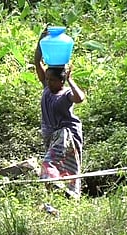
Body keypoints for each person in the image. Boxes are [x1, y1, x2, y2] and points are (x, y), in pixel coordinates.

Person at [34, 27, 86, 199]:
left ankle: (58, 187)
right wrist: (41, 41)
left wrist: (71, 81)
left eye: (52, 80)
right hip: (50, 134)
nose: (48, 82)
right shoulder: (47, 89)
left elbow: (80, 98)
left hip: (66, 134)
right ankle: (57, 197)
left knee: (49, 164)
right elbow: (37, 62)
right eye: (47, 79)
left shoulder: (65, 95)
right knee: (60, 165)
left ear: (61, 80)